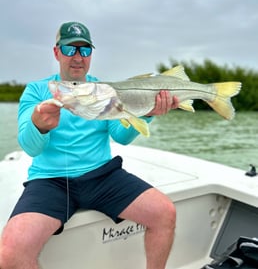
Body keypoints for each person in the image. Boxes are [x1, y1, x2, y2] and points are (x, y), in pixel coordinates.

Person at [0, 21, 178, 269]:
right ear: (56, 52)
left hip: (102, 176)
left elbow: (121, 136)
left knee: (164, 213)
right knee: (9, 252)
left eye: (84, 50)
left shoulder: (104, 90)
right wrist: (39, 124)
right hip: (51, 181)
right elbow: (31, 148)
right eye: (69, 49)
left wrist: (146, 111)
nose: (77, 57)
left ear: (91, 55)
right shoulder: (37, 91)